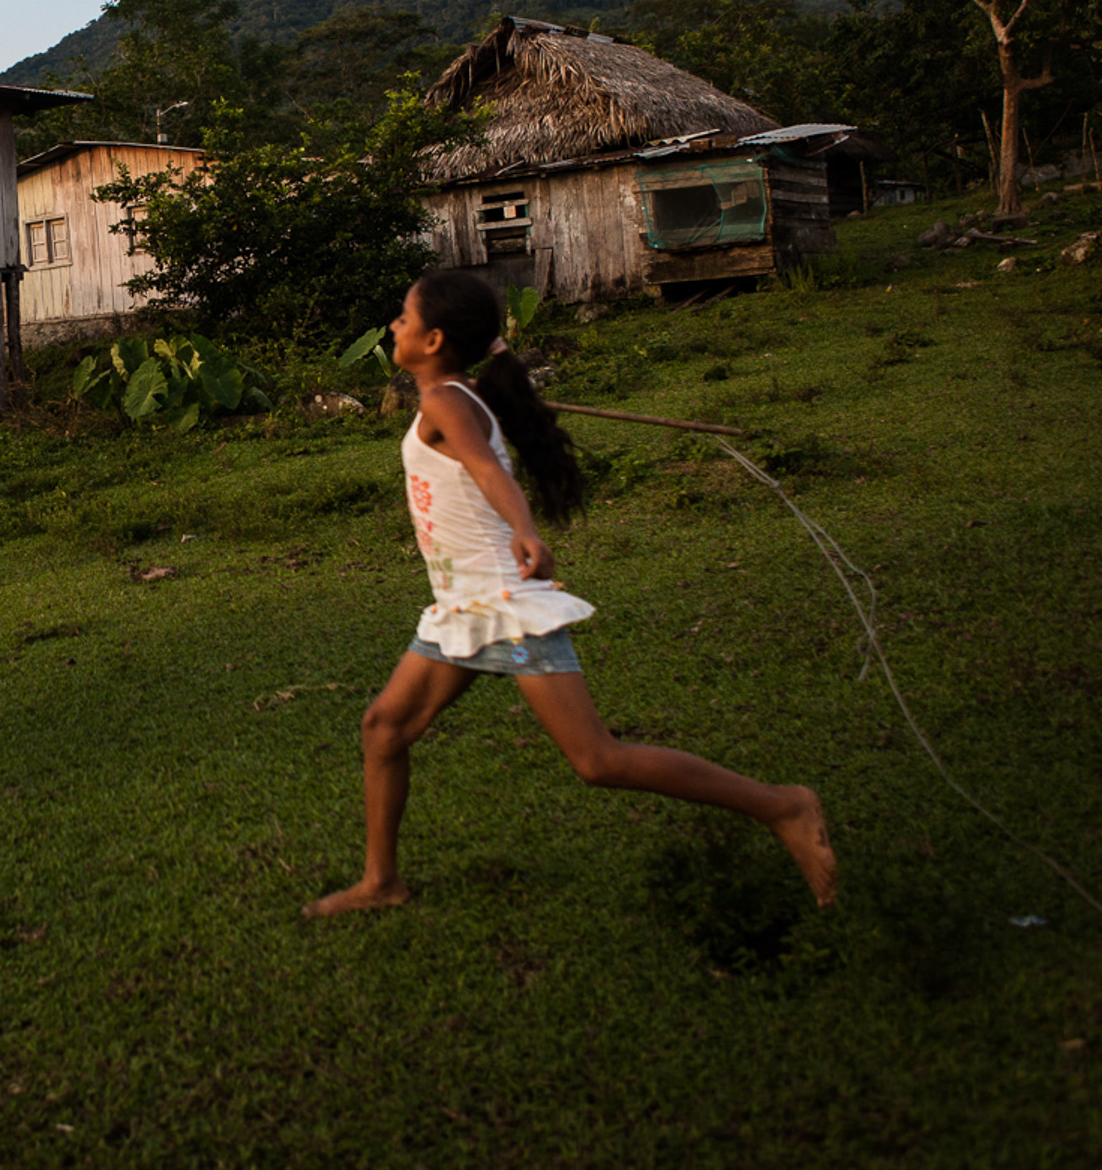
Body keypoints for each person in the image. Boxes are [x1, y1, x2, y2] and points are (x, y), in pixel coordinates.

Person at [303, 269, 837, 918]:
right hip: (460, 611)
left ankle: (784, 806)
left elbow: (484, 469)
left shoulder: (448, 403)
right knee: (383, 728)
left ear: (434, 338)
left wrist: (525, 527)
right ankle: (380, 881)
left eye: (403, 318)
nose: (393, 326)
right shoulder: (456, 396)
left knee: (595, 759)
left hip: (504, 606)